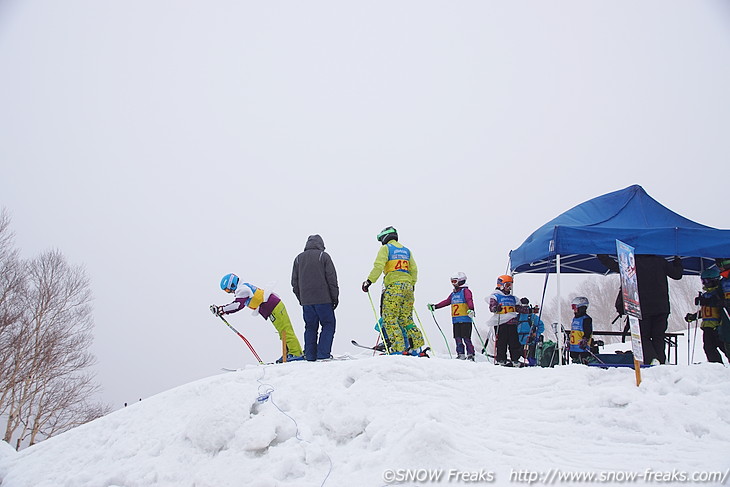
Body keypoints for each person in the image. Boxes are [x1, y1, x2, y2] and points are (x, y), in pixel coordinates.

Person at [598, 254, 683, 365]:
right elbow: (677, 275)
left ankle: (652, 359)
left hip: (641, 307)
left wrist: (601, 256)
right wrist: (678, 260)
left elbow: (614, 266)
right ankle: (661, 360)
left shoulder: (632, 264)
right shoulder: (660, 261)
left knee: (643, 336)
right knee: (659, 336)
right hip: (661, 306)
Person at [211, 273, 304, 362]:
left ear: (232, 284)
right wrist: (222, 310)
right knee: (282, 332)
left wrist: (221, 309)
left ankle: (296, 353)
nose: (229, 292)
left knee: (285, 330)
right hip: (272, 309)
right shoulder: (243, 287)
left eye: (227, 290)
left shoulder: (243, 289)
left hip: (274, 307)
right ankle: (288, 353)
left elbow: (238, 305)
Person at [362, 226, 425, 355]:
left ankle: (398, 349)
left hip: (394, 286)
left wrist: (369, 281)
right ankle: (417, 348)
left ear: (385, 237)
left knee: (389, 318)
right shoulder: (407, 251)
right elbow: (414, 269)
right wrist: (412, 284)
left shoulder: (386, 249)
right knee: (406, 319)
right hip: (408, 287)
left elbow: (378, 266)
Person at [291, 234, 339, 361]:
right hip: (324, 299)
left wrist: (301, 299)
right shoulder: (323, 256)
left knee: (310, 327)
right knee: (329, 324)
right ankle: (323, 354)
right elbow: (332, 279)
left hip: (307, 302)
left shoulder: (298, 259)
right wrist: (335, 298)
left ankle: (310, 355)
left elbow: (294, 283)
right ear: (321, 244)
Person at [684, 268, 729, 364]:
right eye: (703, 281)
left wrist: (706, 301)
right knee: (709, 349)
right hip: (707, 328)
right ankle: (716, 368)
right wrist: (693, 316)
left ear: (714, 280)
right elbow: (706, 311)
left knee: (726, 348)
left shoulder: (719, 292)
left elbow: (717, 304)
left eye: (707, 281)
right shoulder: (705, 295)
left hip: (719, 328)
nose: (705, 283)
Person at [427, 272, 476, 361]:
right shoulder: (453, 294)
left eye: (455, 281)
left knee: (466, 338)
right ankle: (460, 354)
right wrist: (436, 306)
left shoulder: (465, 291)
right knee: (457, 338)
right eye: (452, 282)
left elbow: (469, 300)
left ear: (461, 281)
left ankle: (470, 354)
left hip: (465, 319)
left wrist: (471, 309)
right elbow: (447, 301)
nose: (453, 284)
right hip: (456, 320)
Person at [486, 275, 521, 366]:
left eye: (510, 285)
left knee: (514, 342)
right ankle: (501, 359)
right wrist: (496, 308)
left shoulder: (513, 298)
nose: (509, 288)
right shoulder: (495, 296)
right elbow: (492, 307)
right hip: (501, 323)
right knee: (502, 341)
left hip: (512, 323)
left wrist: (529, 310)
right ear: (501, 285)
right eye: (507, 285)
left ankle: (515, 359)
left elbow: (519, 308)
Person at [516, 297, 545, 366]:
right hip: (518, 340)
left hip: (529, 340)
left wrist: (536, 334)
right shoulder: (517, 316)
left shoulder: (532, 316)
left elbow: (541, 326)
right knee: (517, 354)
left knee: (530, 355)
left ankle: (532, 365)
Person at [569, 296, 593, 364]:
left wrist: (585, 340)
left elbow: (588, 332)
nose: (573, 309)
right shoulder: (575, 319)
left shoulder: (586, 319)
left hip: (582, 350)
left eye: (574, 307)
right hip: (574, 349)